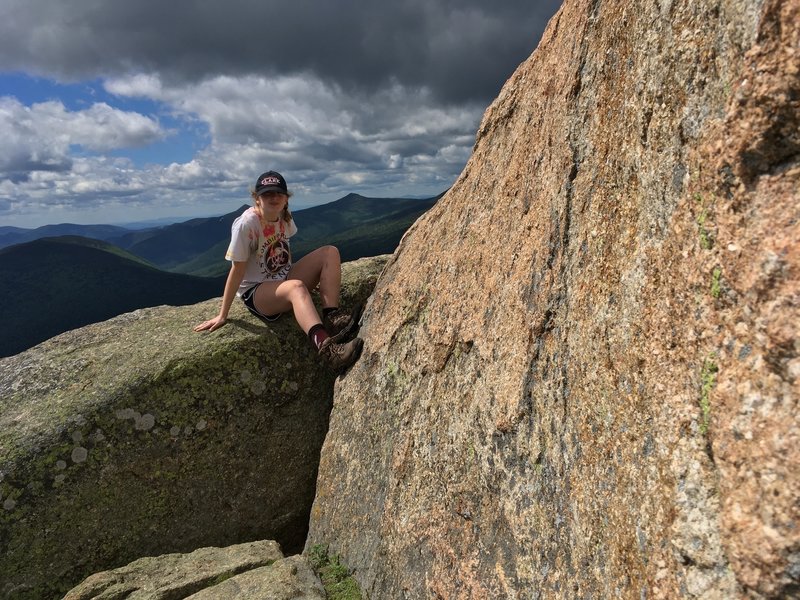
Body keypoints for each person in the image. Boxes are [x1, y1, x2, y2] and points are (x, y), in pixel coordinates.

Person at [194, 170, 363, 372]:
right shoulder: (247, 224)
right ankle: (329, 352)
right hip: (256, 292)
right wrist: (223, 314)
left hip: (283, 279)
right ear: (256, 198)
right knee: (297, 288)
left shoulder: (284, 217)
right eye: (266, 194)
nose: (273, 198)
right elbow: (237, 270)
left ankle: (332, 318)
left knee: (330, 252)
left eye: (278, 193)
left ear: (286, 198)